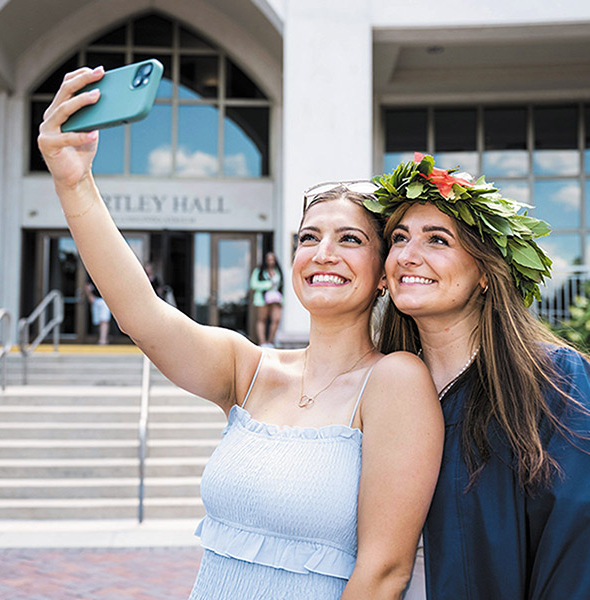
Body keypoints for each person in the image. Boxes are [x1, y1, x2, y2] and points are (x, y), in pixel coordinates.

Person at [37, 66, 444, 600]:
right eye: (309, 238)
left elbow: (385, 572)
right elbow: (140, 313)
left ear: (384, 273)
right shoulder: (248, 368)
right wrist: (74, 182)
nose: (323, 254)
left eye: (349, 239)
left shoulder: (395, 380)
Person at [366, 152, 590, 599]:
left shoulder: (555, 382)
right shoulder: (374, 390)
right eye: (399, 238)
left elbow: (575, 550)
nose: (409, 256)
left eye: (437, 241)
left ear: (484, 273)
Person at [250, 251, 284, 347]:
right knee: (262, 319)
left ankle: (270, 341)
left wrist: (282, 299)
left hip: (276, 299)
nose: (271, 261)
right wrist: (267, 285)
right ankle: (263, 342)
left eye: (272, 259)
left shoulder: (278, 271)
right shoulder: (259, 271)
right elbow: (253, 284)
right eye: (268, 259)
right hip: (262, 299)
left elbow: (281, 286)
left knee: (276, 319)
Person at [84, 278, 111, 344]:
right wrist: (90, 296)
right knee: (97, 321)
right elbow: (87, 286)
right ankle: (101, 338)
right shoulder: (92, 275)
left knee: (104, 320)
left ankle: (103, 340)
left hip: (105, 300)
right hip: (96, 300)